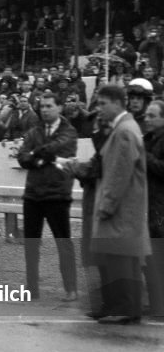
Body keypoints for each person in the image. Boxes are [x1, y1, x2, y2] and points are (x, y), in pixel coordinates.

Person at [67, 85, 151, 323]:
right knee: (119, 257)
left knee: (121, 258)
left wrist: (107, 205)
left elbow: (119, 173)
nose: (99, 109)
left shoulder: (124, 131)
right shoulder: (125, 127)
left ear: (116, 103)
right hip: (126, 206)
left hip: (121, 207)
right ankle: (117, 304)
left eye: (103, 104)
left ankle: (125, 306)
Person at [16, 93, 79, 301]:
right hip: (33, 194)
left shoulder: (69, 132)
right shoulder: (34, 131)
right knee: (31, 244)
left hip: (57, 194)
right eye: (42, 106)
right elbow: (23, 157)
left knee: (63, 242)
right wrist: (39, 158)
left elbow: (56, 149)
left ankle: (71, 288)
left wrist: (36, 155)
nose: (44, 110)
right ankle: (32, 288)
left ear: (60, 108)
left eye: (49, 106)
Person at [142, 99, 164, 319]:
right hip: (147, 204)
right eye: (146, 115)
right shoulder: (147, 139)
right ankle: (156, 303)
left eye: (152, 116)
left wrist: (145, 157)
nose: (147, 119)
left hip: (160, 207)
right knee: (149, 257)